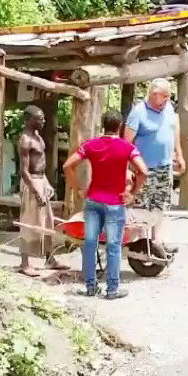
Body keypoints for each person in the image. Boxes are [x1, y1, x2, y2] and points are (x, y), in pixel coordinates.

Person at [62, 110, 147, 300]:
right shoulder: (127, 147)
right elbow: (143, 171)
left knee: (90, 244)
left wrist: (78, 188)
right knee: (114, 246)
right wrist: (132, 193)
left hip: (93, 201)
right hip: (115, 204)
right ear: (120, 126)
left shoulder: (91, 145)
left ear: (103, 125)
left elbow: (68, 165)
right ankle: (112, 290)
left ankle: (91, 287)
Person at [124, 79, 185, 256]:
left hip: (164, 167)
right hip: (145, 169)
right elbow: (127, 142)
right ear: (153, 94)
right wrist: (129, 167)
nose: (167, 99)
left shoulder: (167, 109)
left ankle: (158, 242)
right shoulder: (138, 112)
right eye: (164, 96)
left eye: (169, 96)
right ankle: (143, 244)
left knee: (161, 204)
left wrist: (179, 154)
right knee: (143, 206)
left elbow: (174, 131)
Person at [15, 106, 69, 277]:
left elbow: (40, 165)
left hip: (40, 180)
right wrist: (36, 192)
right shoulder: (25, 140)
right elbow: (24, 171)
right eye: (40, 118)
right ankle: (24, 263)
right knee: (30, 222)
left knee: (47, 221)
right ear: (30, 119)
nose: (43, 121)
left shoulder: (37, 137)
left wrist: (46, 184)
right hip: (31, 183)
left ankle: (50, 258)